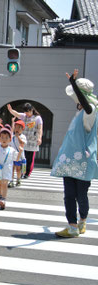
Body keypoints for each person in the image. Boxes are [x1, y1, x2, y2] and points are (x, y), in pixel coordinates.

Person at [52, 69, 98, 238]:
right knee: (69, 195)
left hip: (83, 161)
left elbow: (87, 105)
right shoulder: (80, 112)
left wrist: (73, 83)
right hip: (71, 160)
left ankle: (82, 221)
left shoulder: (91, 109)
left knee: (80, 195)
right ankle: (72, 226)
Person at [0, 128, 22, 210]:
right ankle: (0, 197)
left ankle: (3, 199)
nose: (4, 140)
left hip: (7, 169)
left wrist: (20, 151)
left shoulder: (12, 150)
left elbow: (16, 159)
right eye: (2, 137)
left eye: (6, 138)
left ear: (10, 139)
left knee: (5, 183)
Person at [7, 102, 43, 178]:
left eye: (28, 112)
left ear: (31, 110)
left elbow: (40, 129)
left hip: (33, 140)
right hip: (24, 140)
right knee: (24, 157)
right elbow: (16, 114)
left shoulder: (37, 118)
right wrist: (11, 110)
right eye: (25, 112)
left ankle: (27, 173)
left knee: (30, 158)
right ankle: (23, 172)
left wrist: (39, 138)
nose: (26, 113)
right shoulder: (24, 116)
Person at [10, 119, 27, 187]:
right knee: (11, 168)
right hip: (12, 155)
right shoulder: (12, 136)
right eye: (16, 127)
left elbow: (22, 143)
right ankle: (11, 181)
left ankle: (18, 180)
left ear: (22, 129)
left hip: (19, 156)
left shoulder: (23, 137)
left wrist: (18, 137)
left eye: (19, 127)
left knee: (18, 169)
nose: (17, 129)